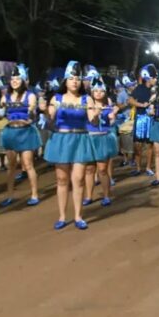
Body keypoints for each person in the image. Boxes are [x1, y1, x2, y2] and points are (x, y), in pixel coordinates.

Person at [43, 61, 99, 230]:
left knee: (79, 179)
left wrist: (96, 114)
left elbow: (93, 122)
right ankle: (62, 216)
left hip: (80, 139)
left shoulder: (87, 99)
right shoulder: (56, 98)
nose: (75, 81)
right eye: (71, 78)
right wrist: (44, 110)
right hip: (61, 139)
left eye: (77, 79)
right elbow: (50, 119)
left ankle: (78, 216)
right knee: (62, 179)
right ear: (65, 81)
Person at [0, 65, 42, 207]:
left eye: (18, 79)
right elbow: (0, 116)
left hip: (25, 132)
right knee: (11, 166)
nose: (14, 81)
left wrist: (31, 112)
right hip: (10, 132)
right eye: (12, 79)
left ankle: (34, 194)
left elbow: (32, 113)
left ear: (23, 81)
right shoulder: (5, 96)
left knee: (28, 164)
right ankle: (9, 195)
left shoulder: (30, 95)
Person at [84, 75, 118, 207]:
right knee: (89, 169)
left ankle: (106, 195)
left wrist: (113, 116)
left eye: (101, 91)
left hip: (103, 138)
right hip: (90, 138)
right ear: (92, 92)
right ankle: (88, 196)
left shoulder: (108, 105)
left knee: (102, 170)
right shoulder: (88, 104)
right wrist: (96, 112)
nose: (98, 93)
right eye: (96, 91)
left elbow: (111, 122)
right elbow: (92, 121)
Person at [130, 65, 156, 177]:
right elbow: (130, 100)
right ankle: (138, 168)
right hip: (140, 118)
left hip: (151, 119)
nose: (155, 80)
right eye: (154, 77)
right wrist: (141, 105)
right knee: (138, 145)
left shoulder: (156, 90)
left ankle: (148, 168)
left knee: (150, 145)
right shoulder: (139, 88)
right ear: (149, 78)